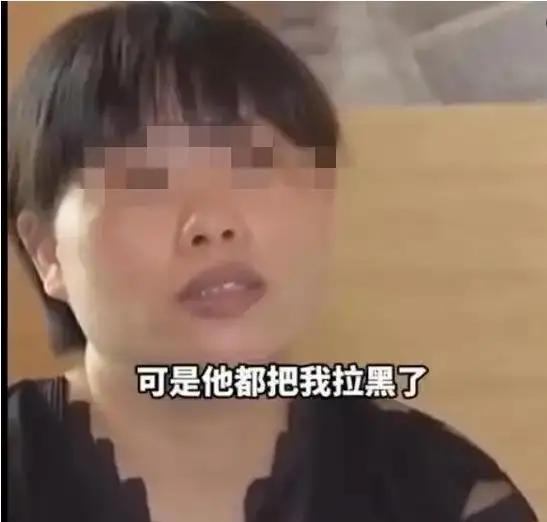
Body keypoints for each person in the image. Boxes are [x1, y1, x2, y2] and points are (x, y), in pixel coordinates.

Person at [7, 2, 538, 522]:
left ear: (325, 202)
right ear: (45, 251)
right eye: (147, 181)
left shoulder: (446, 494)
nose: (212, 223)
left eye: (254, 166)